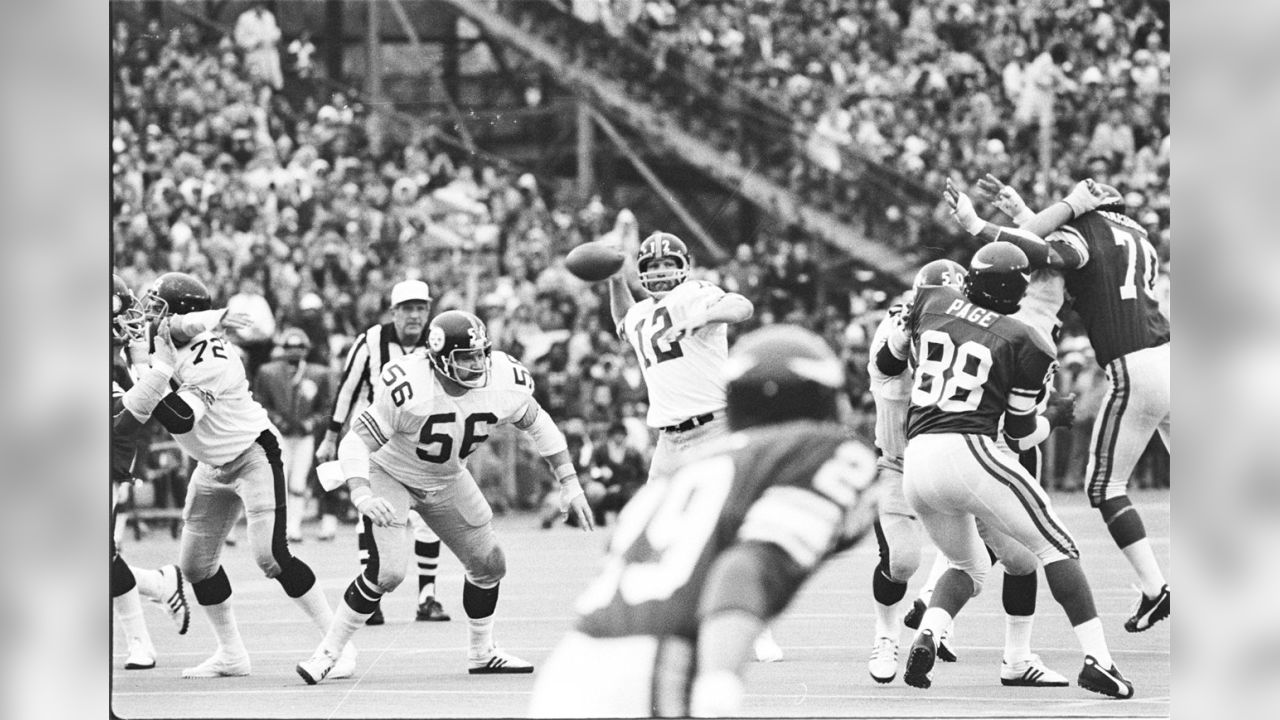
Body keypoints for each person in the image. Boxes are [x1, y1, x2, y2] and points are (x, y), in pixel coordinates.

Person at [528, 325, 881, 718]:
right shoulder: (823, 452)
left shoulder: (690, 467)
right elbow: (745, 568)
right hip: (654, 671)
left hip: (571, 664)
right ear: (821, 398)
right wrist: (720, 687)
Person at [875, 242, 1133, 698]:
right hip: (970, 451)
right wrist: (1053, 418)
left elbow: (887, 363)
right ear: (1017, 290)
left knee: (968, 566)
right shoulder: (1025, 338)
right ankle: (1100, 661)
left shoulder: (930, 301)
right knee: (1058, 545)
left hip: (917, 461)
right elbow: (1015, 431)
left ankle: (930, 632)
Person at [295, 310, 595, 684]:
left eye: (480, 353)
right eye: (465, 357)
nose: (476, 364)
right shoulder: (409, 383)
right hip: (390, 473)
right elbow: (357, 439)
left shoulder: (503, 378)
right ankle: (328, 653)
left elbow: (539, 423)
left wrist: (571, 483)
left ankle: (482, 652)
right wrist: (361, 492)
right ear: (437, 358)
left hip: (447, 475)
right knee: (388, 572)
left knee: (490, 564)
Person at [950, 175, 1170, 633]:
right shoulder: (1138, 235)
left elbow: (1041, 255)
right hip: (1175, 358)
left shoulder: (1085, 230)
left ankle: (1155, 589)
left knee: (1104, 486)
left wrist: (977, 226)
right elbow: (1071, 258)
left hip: (1135, 365)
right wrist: (1020, 211)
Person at [114, 271, 355, 679]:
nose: (150, 316)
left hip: (251, 454)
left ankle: (338, 646)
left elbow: (181, 418)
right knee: (195, 566)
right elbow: (178, 332)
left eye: (159, 308)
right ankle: (231, 654)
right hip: (211, 464)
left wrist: (144, 369)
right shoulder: (169, 336)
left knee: (271, 555)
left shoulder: (216, 360)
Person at [865, 260, 1068, 687]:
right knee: (903, 562)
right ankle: (888, 636)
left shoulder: (957, 334)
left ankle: (1012, 655)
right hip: (900, 462)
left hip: (958, 458)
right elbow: (887, 370)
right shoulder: (901, 331)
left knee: (1019, 557)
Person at [605, 232, 780, 663]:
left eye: (667, 264)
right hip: (669, 440)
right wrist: (614, 279)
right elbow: (623, 322)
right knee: (649, 534)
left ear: (684, 265)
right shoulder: (643, 312)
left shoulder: (695, 293)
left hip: (714, 428)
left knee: (728, 533)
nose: (660, 272)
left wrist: (705, 315)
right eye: (652, 266)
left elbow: (742, 306)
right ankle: (650, 627)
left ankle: (751, 625)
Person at [315, 279, 452, 625]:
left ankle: (427, 596)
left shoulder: (438, 341)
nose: (415, 316)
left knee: (426, 518)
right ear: (393, 312)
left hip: (422, 444)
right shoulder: (372, 341)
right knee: (372, 514)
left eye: (421, 308)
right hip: (379, 440)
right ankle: (371, 595)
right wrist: (332, 435)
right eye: (407, 309)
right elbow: (348, 389)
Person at [110, 274, 190, 670]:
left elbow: (121, 420)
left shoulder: (116, 362)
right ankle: (159, 584)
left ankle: (141, 643)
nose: (132, 321)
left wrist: (144, 365)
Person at [253, 328, 335, 542]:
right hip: (278, 435)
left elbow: (327, 407)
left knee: (298, 481)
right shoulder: (268, 372)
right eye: (290, 347)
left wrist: (312, 422)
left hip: (304, 436)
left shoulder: (318, 373)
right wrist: (276, 420)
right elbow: (259, 401)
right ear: (283, 348)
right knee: (278, 480)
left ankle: (294, 526)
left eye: (299, 347)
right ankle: (278, 525)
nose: (295, 351)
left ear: (306, 349)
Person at [584, 421, 647, 527]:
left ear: (625, 436)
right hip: (604, 485)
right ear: (611, 436)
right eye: (616, 434)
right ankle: (594, 518)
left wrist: (624, 486)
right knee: (594, 490)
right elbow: (592, 470)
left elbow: (641, 475)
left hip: (627, 486)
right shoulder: (601, 450)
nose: (619, 437)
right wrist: (601, 473)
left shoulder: (633, 452)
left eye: (621, 434)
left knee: (636, 493)